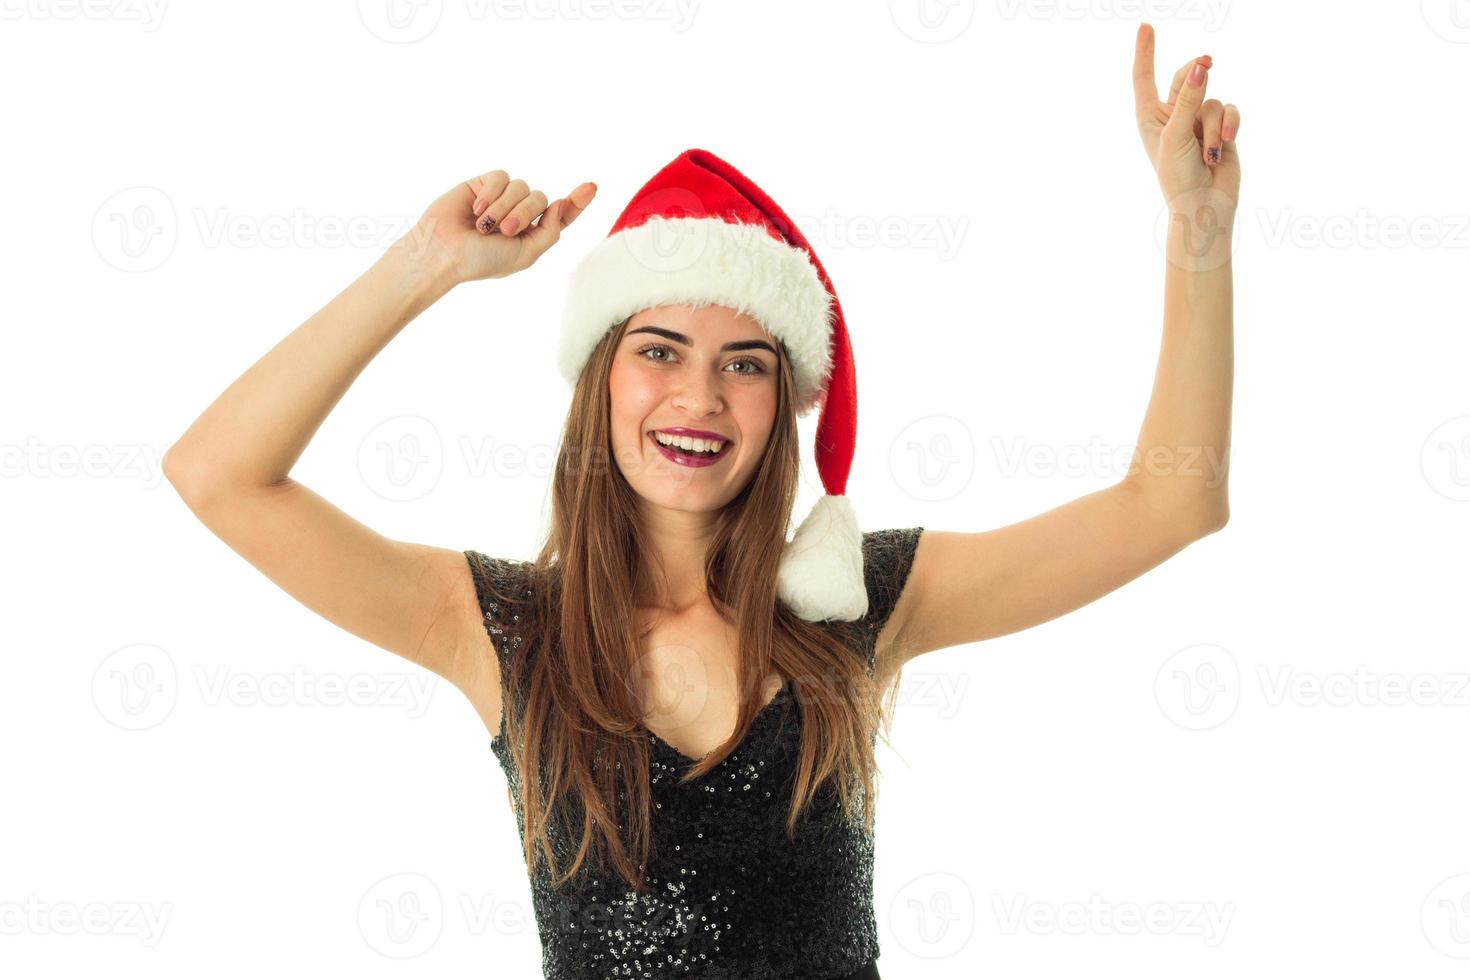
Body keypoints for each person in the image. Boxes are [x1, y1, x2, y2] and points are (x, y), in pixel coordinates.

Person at [162, 25, 1238, 979]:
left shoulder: (858, 601)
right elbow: (217, 472)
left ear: (783, 400)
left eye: (745, 363)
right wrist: (428, 262)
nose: (699, 396)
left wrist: (1199, 228)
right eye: (660, 350)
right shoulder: (497, 627)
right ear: (602, 379)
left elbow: (1168, 505)